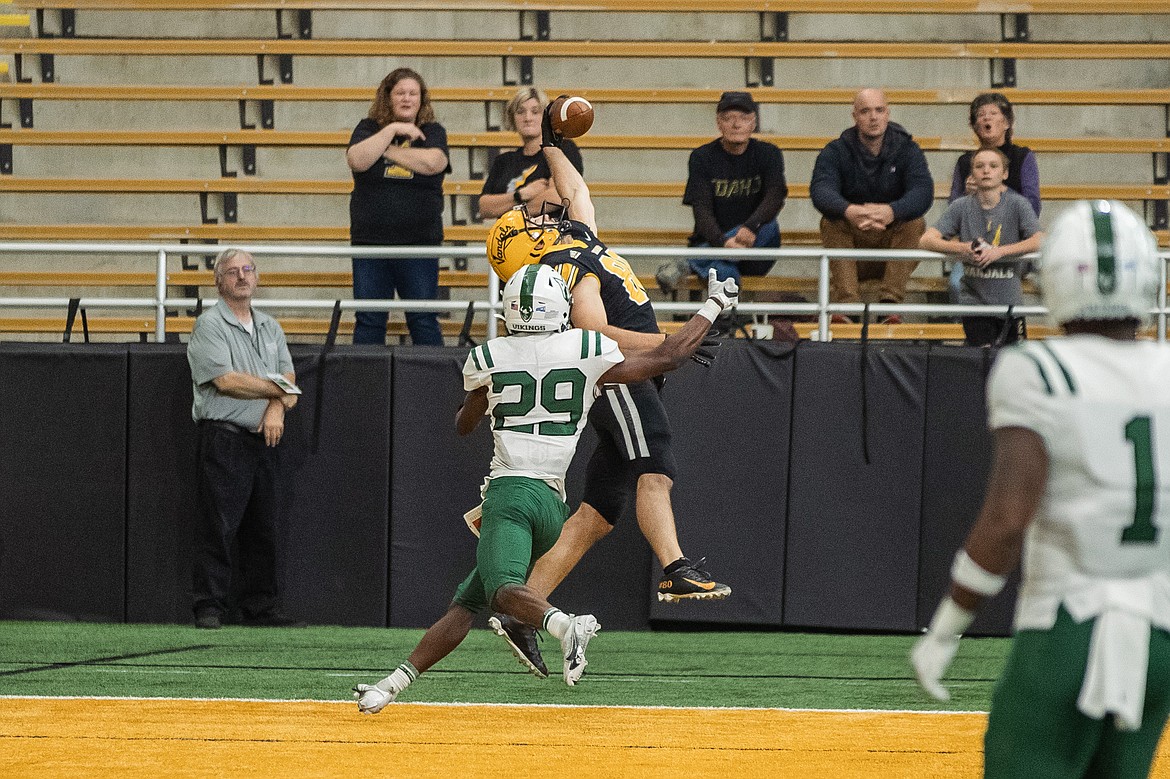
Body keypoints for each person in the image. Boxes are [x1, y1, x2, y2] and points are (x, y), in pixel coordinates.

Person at [352, 262, 739, 712]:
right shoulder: (586, 347)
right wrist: (712, 306)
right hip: (553, 508)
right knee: (468, 602)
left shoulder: (488, 356)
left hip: (511, 495)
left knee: (503, 593)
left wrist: (480, 395)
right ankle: (390, 686)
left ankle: (563, 626)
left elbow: (463, 425)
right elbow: (668, 357)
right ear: (558, 307)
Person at [912, 200, 1170, 777]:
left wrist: (951, 624)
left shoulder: (1039, 370)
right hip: (1158, 637)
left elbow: (1007, 520)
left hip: (1068, 627)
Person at [480, 101, 732, 678]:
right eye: (533, 217)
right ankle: (674, 566)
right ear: (526, 243)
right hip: (613, 369)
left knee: (597, 512)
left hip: (621, 365)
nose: (546, 209)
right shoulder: (566, 266)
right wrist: (664, 341)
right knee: (657, 461)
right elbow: (594, 329)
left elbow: (576, 189)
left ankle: (522, 612)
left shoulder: (573, 241)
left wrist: (549, 140)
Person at [186, 249, 302, 630]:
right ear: (219, 281)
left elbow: (292, 385)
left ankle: (260, 606)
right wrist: (276, 392)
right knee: (218, 525)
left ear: (256, 277)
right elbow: (226, 380)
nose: (241, 276)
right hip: (225, 437)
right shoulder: (209, 325)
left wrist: (276, 407)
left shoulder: (270, 326)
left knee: (263, 527)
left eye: (247, 269)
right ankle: (209, 606)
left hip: (264, 439)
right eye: (232, 271)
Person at [810, 88, 934, 323]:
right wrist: (850, 211)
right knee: (831, 221)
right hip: (852, 248)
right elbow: (820, 191)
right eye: (865, 111)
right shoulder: (835, 151)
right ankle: (847, 307)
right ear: (854, 116)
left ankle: (890, 304)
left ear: (888, 113)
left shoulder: (908, 149)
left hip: (892, 249)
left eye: (879, 110)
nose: (873, 117)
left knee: (915, 222)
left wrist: (891, 212)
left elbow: (923, 192)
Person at [346, 67, 450, 346]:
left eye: (413, 93)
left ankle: (433, 388)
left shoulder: (433, 131)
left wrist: (386, 150)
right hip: (371, 244)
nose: (406, 99)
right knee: (369, 321)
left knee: (423, 320)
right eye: (400, 93)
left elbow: (434, 163)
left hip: (418, 245)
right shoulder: (368, 128)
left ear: (421, 99)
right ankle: (365, 388)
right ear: (388, 97)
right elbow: (357, 160)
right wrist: (392, 129)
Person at [656, 90, 787, 291]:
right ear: (719, 123)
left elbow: (775, 196)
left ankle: (689, 263)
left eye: (744, 118)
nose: (736, 124)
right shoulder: (702, 157)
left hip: (756, 245)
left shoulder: (769, 154)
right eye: (728, 118)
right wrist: (723, 243)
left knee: (769, 227)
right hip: (715, 241)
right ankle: (728, 318)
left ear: (754, 123)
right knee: (723, 270)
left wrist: (751, 227)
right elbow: (702, 211)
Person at [919, 148, 1044, 347]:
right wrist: (963, 249)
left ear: (1004, 174)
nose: (986, 171)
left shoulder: (1018, 204)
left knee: (1010, 361)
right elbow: (926, 240)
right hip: (974, 304)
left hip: (1010, 303)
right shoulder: (961, 206)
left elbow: (1040, 239)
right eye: (979, 166)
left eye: (993, 166)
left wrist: (1000, 252)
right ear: (972, 174)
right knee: (982, 359)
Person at [477, 86, 584, 221]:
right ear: (512, 117)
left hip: (552, 236)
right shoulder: (504, 161)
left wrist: (511, 212)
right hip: (511, 239)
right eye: (520, 112)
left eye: (535, 112)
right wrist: (520, 195)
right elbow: (484, 207)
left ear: (546, 117)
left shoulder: (561, 149)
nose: (528, 118)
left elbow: (558, 196)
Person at [949, 92, 1041, 216]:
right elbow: (951, 211)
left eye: (993, 113)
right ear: (974, 126)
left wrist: (995, 191)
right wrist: (967, 195)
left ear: (1007, 123)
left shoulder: (1022, 156)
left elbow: (1033, 207)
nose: (987, 118)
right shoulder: (965, 161)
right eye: (981, 115)